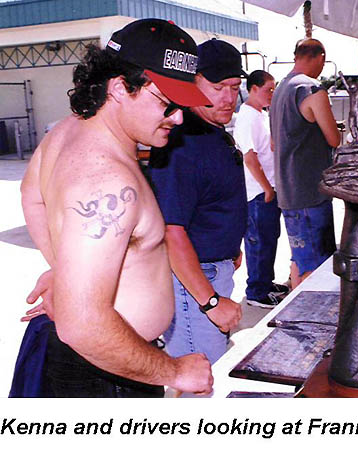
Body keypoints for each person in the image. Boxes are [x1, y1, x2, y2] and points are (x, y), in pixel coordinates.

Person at [16, 19, 214, 397]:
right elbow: (82, 324)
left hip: (99, 361)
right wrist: (174, 371)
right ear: (120, 87)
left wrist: (69, 272)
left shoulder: (69, 129)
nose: (178, 117)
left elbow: (32, 197)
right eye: (167, 103)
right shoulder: (106, 179)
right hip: (105, 371)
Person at [149, 39, 246, 365]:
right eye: (217, 88)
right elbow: (170, 231)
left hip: (212, 272)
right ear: (193, 83)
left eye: (235, 87)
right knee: (202, 379)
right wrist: (211, 302)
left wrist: (230, 247)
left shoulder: (211, 131)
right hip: (194, 285)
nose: (228, 98)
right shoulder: (182, 142)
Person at [270, 38, 341, 288]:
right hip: (310, 192)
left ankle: (294, 304)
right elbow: (334, 138)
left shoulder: (280, 88)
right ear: (321, 57)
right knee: (316, 267)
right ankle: (310, 310)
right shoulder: (311, 89)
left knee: (299, 259)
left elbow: (274, 142)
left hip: (288, 190)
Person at [233, 70, 288, 308]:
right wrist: (266, 187)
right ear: (253, 89)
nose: (272, 94)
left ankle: (265, 282)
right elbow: (250, 157)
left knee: (270, 239)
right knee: (259, 242)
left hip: (270, 187)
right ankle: (256, 291)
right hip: (258, 191)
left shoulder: (261, 114)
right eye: (268, 90)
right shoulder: (247, 117)